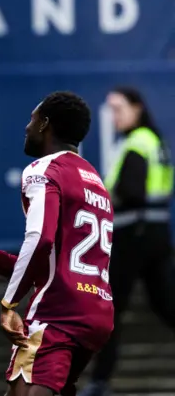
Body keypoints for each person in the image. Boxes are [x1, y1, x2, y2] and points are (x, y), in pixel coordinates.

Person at [0, 92, 114, 396]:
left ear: (45, 123)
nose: (26, 127)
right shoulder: (95, 180)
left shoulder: (45, 170)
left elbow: (40, 240)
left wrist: (9, 303)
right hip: (96, 312)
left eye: (32, 119)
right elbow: (54, 262)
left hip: (57, 313)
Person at [78, 87, 175, 396]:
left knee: (109, 309)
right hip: (157, 234)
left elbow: (131, 190)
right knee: (166, 306)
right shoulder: (154, 141)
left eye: (119, 108)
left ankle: (99, 382)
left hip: (133, 237)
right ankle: (99, 381)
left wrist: (104, 199)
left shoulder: (136, 143)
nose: (114, 116)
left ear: (137, 108)